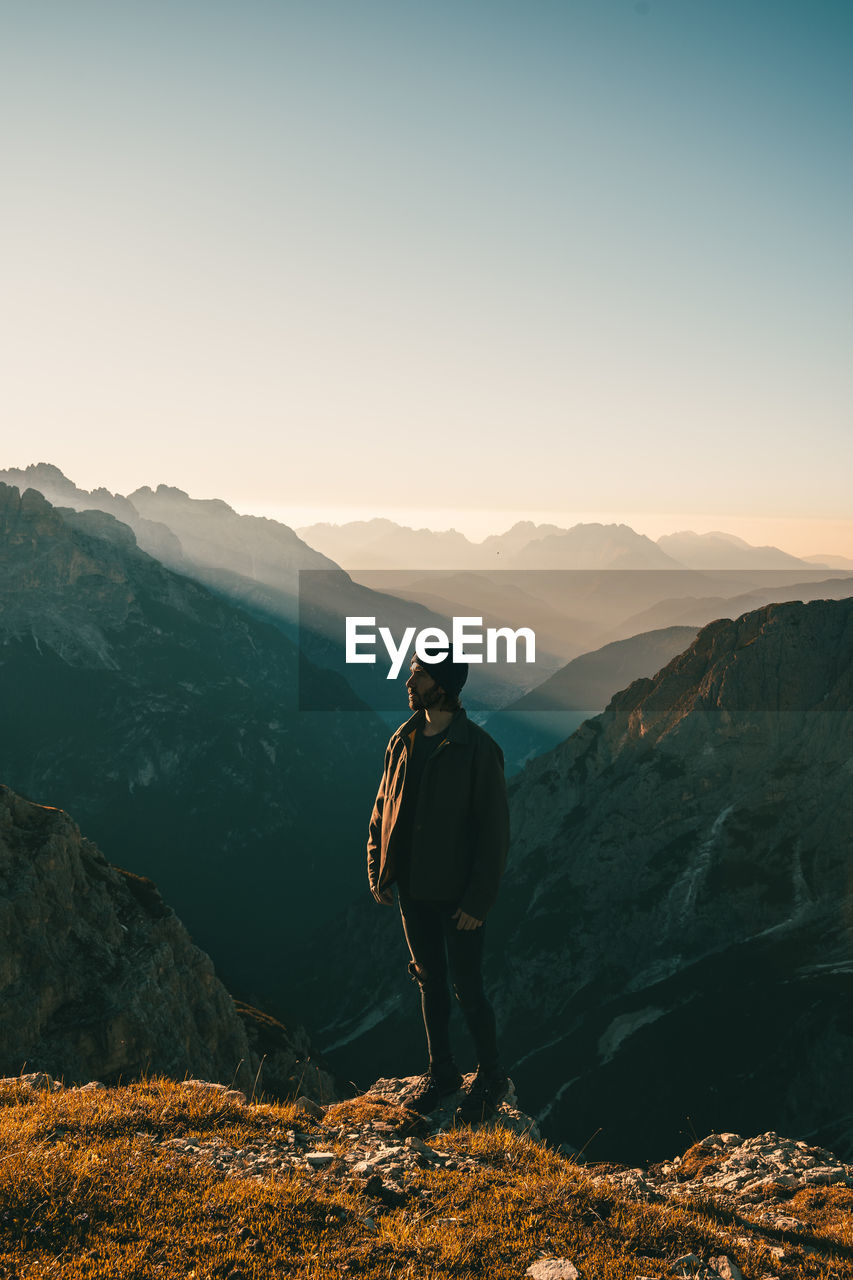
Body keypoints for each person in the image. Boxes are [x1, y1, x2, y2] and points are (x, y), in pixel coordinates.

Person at [367, 651, 511, 1123]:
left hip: (458, 894)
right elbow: (381, 809)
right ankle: (443, 1073)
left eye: (419, 674)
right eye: (412, 673)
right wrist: (379, 868)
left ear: (443, 685)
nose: (409, 681)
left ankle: (491, 1079)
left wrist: (479, 899)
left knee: (468, 988)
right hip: (412, 889)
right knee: (429, 982)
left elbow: (494, 831)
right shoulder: (402, 741)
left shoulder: (477, 748)